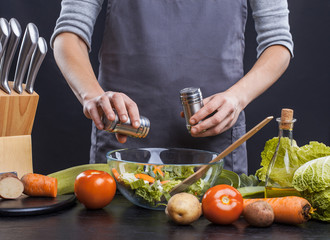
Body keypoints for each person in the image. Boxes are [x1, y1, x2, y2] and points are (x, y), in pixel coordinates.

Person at [51, 0, 293, 175]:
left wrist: (238, 98)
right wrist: (92, 95)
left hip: (213, 147)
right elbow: (69, 33)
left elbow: (277, 42)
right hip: (125, 139)